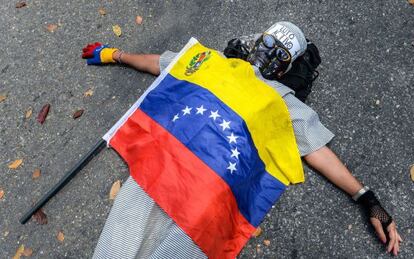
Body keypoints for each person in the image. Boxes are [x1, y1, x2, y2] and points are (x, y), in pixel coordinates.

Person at [82, 22, 402, 258]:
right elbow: (162, 65)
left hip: (211, 196)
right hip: (164, 168)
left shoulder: (284, 102)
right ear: (257, 40)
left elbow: (317, 151)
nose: (269, 53)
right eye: (269, 42)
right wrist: (114, 54)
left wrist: (367, 198)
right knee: (115, 247)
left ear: (289, 66)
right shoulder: (212, 61)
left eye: (281, 52)